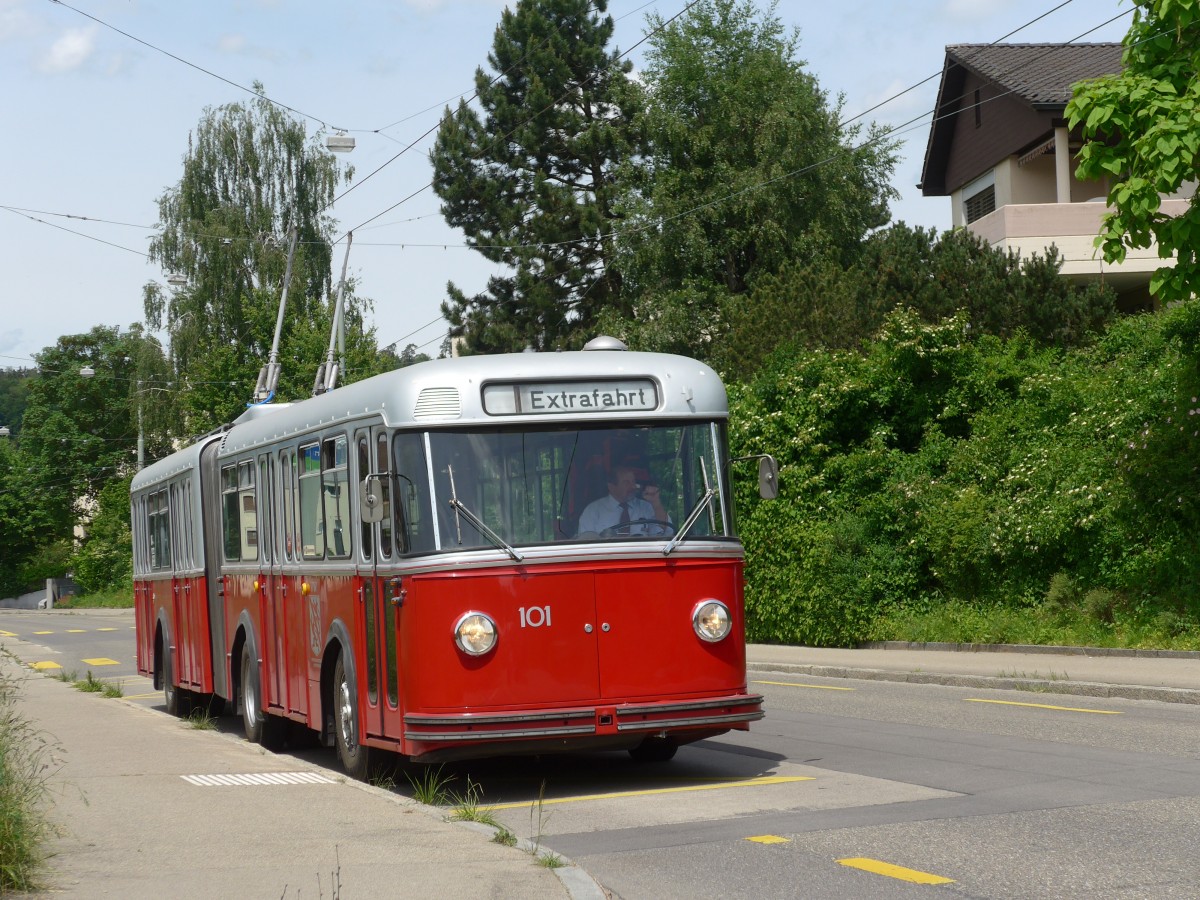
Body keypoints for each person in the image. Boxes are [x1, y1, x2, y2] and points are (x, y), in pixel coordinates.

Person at [577, 466, 671, 537]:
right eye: (626, 482)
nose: (633, 486)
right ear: (611, 486)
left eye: (633, 482)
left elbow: (668, 533)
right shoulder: (593, 511)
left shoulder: (646, 507)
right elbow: (585, 544)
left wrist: (656, 503)